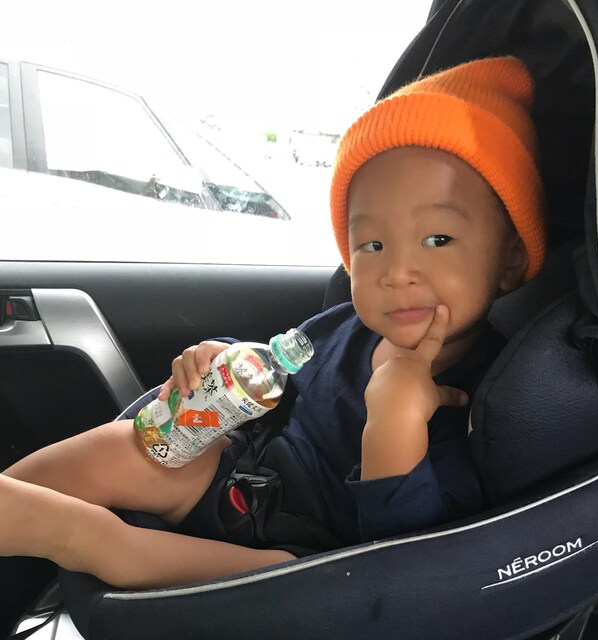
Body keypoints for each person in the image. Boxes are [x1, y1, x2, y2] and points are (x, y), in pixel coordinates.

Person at [0, 56, 545, 590]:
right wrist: (221, 358)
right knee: (128, 447)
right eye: (372, 245)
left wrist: (395, 422)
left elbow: (408, 558)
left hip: (314, 558)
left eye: (437, 239)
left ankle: (71, 532)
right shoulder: (346, 326)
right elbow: (280, 373)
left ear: (510, 259)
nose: (397, 272)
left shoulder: (487, 394)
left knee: (131, 546)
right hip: (251, 477)